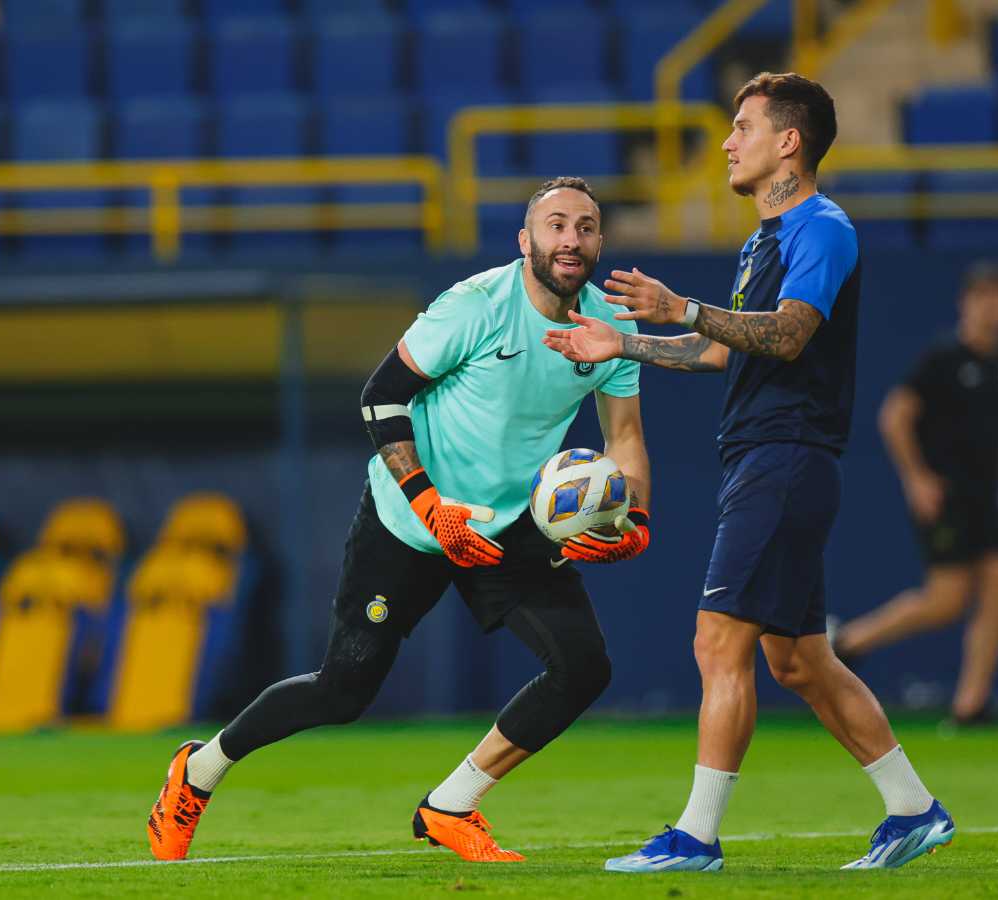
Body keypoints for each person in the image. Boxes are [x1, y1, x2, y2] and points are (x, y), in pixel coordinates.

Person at [146, 177, 653, 864]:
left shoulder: (610, 325)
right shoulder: (474, 306)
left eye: (586, 227)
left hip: (508, 525)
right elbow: (381, 398)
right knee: (343, 690)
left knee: (583, 668)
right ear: (525, 240)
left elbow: (624, 435)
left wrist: (637, 517)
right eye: (556, 225)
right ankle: (199, 770)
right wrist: (428, 505)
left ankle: (450, 805)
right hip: (409, 521)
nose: (571, 239)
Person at [544, 72, 953, 872]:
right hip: (762, 457)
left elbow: (790, 334)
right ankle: (912, 809)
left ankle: (696, 837)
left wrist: (684, 307)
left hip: (787, 456)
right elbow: (724, 347)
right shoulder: (761, 242)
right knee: (795, 658)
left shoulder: (822, 228)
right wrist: (623, 343)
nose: (727, 142)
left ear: (788, 141)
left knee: (715, 642)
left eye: (742, 126)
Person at [831, 262, 998, 725]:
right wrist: (916, 478)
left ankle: (971, 703)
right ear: (965, 304)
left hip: (985, 498)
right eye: (983, 298)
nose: (992, 308)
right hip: (946, 494)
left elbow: (992, 433)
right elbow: (894, 416)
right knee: (947, 599)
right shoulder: (943, 360)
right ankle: (846, 643)